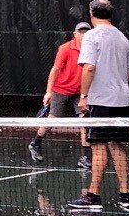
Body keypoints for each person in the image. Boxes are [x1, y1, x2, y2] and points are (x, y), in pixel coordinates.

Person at [72, 0, 129, 212]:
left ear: (91, 13)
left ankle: (92, 197)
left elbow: (89, 68)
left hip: (100, 101)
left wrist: (83, 96)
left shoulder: (91, 36)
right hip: (122, 100)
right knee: (117, 146)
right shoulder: (123, 38)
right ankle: (125, 196)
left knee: (98, 147)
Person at [29, 20, 90, 165]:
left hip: (81, 92)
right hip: (61, 89)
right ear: (75, 34)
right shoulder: (65, 48)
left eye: (87, 32)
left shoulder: (93, 49)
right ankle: (35, 144)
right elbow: (55, 70)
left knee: (85, 122)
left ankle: (85, 157)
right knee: (53, 119)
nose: (84, 34)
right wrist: (48, 92)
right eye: (81, 32)